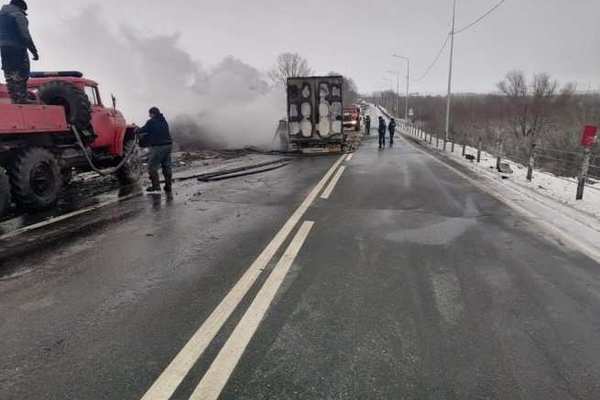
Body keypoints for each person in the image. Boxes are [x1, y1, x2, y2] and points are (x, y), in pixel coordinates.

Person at [0, 0, 38, 104]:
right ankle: (22, 98)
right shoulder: (18, 14)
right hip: (17, 47)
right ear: (21, 7)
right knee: (21, 72)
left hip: (4, 48)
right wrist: (34, 51)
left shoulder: (1, 15)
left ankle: (14, 99)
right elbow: (25, 35)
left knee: (9, 73)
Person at [136, 107, 173, 194]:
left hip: (158, 147)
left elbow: (143, 130)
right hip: (168, 145)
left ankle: (156, 187)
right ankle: (168, 186)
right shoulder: (164, 121)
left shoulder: (151, 121)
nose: (149, 115)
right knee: (166, 166)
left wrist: (136, 130)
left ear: (153, 113)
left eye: (150, 114)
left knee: (152, 167)